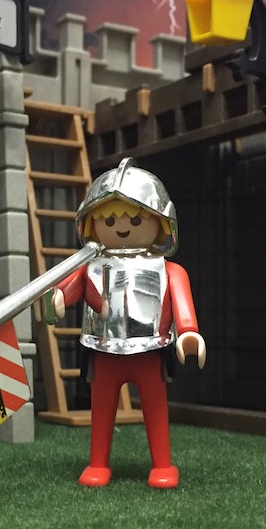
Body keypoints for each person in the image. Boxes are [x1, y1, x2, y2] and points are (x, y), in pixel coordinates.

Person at [52, 158, 205, 488]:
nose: (121, 226)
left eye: (136, 219)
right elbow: (69, 288)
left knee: (155, 407)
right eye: (108, 219)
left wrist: (189, 332)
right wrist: (59, 298)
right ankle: (98, 463)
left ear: (161, 223)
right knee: (101, 409)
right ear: (89, 223)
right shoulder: (91, 266)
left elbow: (182, 304)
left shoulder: (168, 269)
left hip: (151, 350)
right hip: (103, 350)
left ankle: (163, 465)